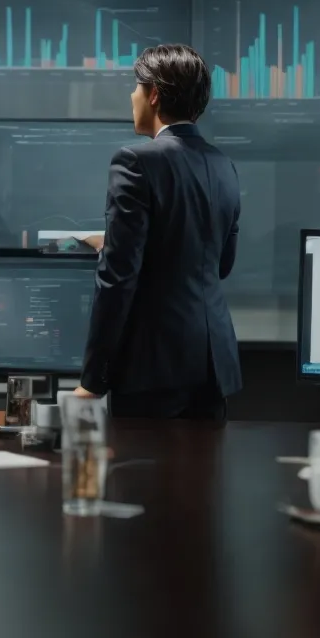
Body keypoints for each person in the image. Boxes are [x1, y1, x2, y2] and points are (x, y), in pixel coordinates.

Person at [71, 43, 243, 419]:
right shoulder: (224, 165)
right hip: (214, 367)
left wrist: (93, 378)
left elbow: (118, 278)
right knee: (204, 476)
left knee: (144, 477)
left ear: (154, 95)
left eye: (136, 87)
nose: (131, 96)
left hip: (154, 369)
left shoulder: (135, 161)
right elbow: (218, 264)